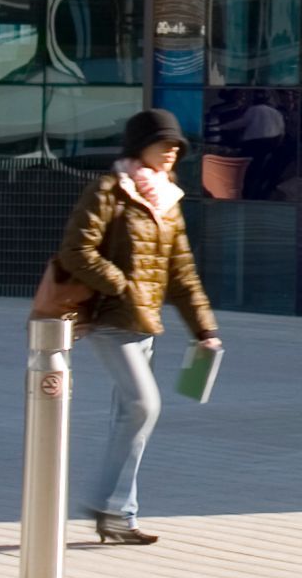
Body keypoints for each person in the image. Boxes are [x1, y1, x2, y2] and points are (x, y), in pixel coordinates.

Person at [58, 107, 220, 547]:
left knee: (128, 418)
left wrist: (203, 329)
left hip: (145, 325)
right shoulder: (109, 191)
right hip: (111, 321)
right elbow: (76, 251)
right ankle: (105, 502)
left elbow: (182, 274)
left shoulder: (167, 201)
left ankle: (120, 516)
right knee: (143, 405)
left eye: (176, 147)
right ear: (139, 146)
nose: (171, 152)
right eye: (163, 144)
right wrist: (121, 284)